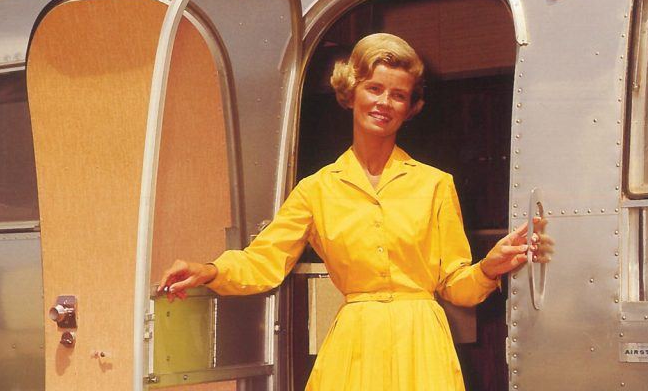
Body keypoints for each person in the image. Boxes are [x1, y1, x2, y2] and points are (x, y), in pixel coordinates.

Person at [158, 33, 550, 390]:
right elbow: (262, 263)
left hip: (421, 346)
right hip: (354, 346)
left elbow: (454, 285)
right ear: (351, 92)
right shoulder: (316, 189)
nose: (384, 103)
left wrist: (488, 269)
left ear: (410, 107)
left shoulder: (435, 184)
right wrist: (209, 270)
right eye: (374, 88)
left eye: (398, 95)